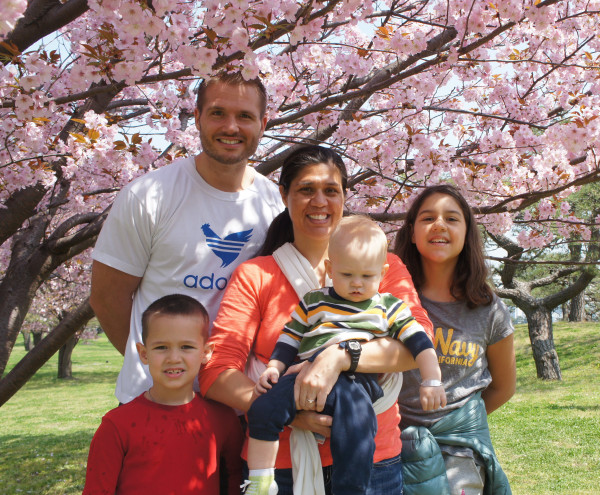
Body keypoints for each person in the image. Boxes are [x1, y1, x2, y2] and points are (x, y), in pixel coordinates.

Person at [199, 144, 434, 495]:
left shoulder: (383, 268)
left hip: (374, 461)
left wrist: (338, 357)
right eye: (306, 190)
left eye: (331, 191)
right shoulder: (256, 275)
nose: (319, 202)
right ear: (284, 195)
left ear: (345, 196)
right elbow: (216, 370)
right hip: (278, 466)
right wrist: (288, 412)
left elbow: (418, 341)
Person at [90, 71, 284, 404]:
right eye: (218, 113)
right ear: (197, 117)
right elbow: (108, 297)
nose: (231, 127)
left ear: (263, 123)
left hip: (240, 403)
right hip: (156, 401)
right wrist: (154, 365)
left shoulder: (276, 204)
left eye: (245, 116)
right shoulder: (148, 195)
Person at [243, 215, 446, 495]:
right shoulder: (315, 301)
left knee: (356, 430)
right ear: (330, 268)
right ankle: (260, 481)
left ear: (383, 272)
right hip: (303, 374)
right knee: (262, 409)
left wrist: (432, 379)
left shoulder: (388, 307)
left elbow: (419, 342)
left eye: (367, 276)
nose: (357, 284)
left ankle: (351, 489)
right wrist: (275, 367)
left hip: (354, 382)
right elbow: (290, 337)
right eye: (347, 274)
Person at [394, 184, 516, 495]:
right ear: (411, 233)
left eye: (451, 218)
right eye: (427, 218)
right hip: (391, 445)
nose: (439, 225)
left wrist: (459, 420)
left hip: (460, 452)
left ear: (466, 233)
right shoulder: (388, 298)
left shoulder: (489, 309)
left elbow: (504, 386)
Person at [83, 294, 243, 495]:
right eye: (161, 347)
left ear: (206, 352)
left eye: (186, 347)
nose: (173, 358)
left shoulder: (223, 418)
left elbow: (235, 481)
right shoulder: (116, 425)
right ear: (143, 353)